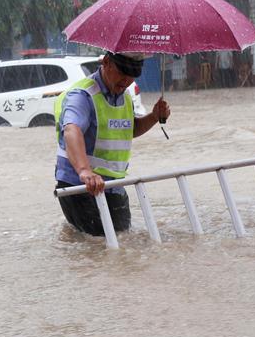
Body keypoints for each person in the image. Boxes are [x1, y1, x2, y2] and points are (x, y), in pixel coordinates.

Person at [54, 52, 170, 236]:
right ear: (106, 62)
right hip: (81, 185)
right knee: (98, 244)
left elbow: (129, 130)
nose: (126, 80)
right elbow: (71, 130)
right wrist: (85, 171)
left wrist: (154, 116)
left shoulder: (124, 97)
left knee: (123, 238)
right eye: (122, 72)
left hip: (113, 185)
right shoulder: (82, 96)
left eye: (132, 75)